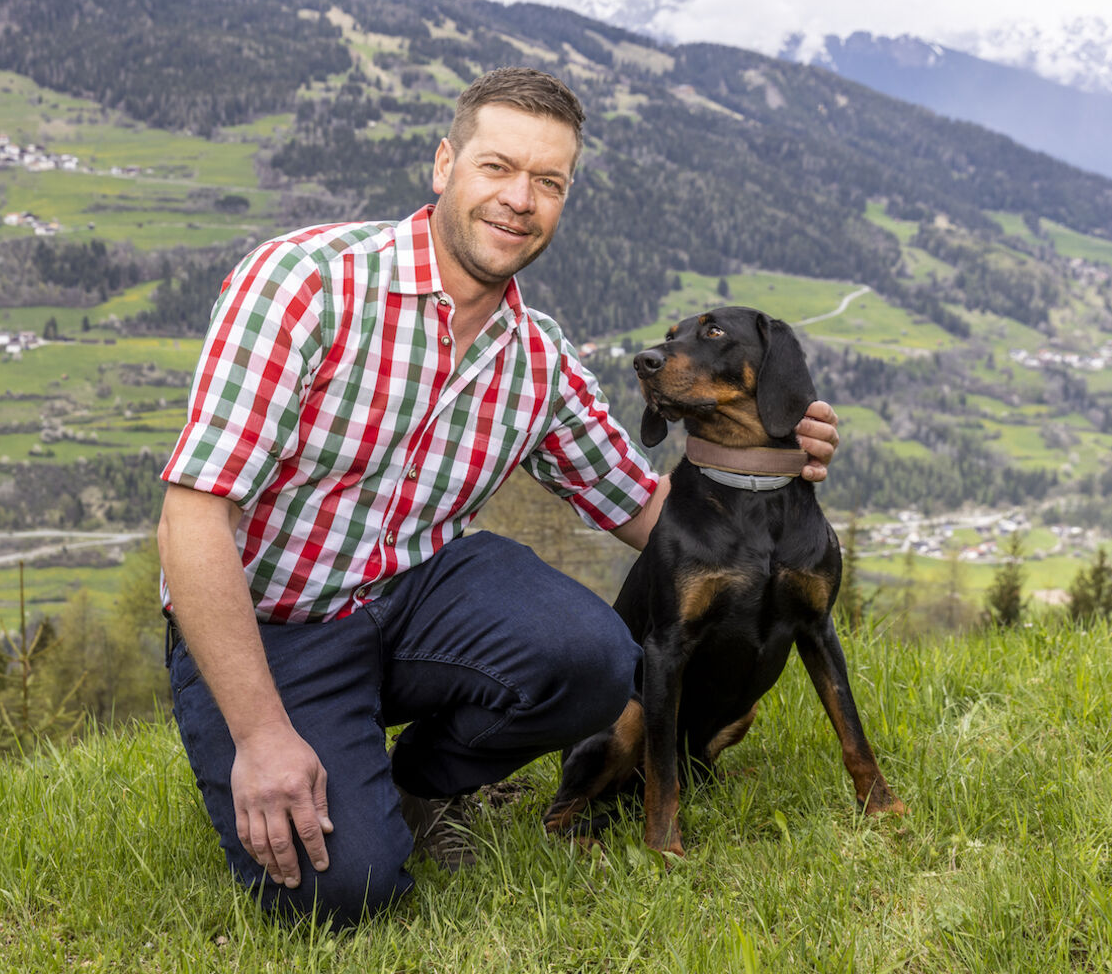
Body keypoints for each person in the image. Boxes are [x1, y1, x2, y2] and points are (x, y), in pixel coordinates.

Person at [156, 67, 839, 927]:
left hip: (417, 600)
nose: (520, 199)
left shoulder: (536, 357)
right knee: (347, 897)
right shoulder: (305, 282)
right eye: (497, 168)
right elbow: (193, 516)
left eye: (547, 182)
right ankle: (307, 748)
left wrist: (772, 454)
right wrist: (259, 737)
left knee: (594, 657)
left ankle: (421, 783)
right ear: (445, 164)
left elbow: (655, 515)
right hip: (272, 623)